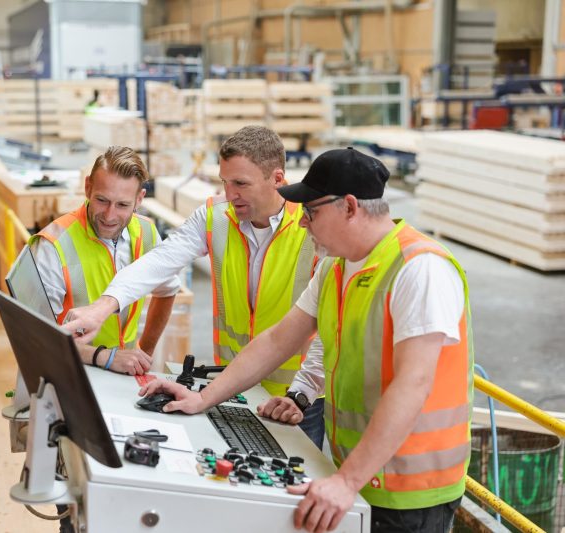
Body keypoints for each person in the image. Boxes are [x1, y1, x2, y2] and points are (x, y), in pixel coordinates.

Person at [132, 147, 474, 533]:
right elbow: (278, 340)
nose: (302, 224)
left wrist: (346, 482)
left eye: (311, 213)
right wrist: (202, 397)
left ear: (349, 207)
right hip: (363, 475)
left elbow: (414, 384)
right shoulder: (336, 268)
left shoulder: (420, 269)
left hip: (413, 491)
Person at [61, 126, 327, 450]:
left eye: (241, 183)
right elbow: (159, 261)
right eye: (225, 182)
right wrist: (102, 307)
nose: (230, 194)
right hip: (232, 387)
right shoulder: (216, 217)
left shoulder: (313, 227)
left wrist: (303, 391)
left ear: (277, 179)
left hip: (294, 398)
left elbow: (330, 324)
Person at [30, 145, 180, 375]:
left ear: (139, 199)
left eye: (122, 205)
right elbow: (39, 336)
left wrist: (144, 353)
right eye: (102, 200)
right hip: (68, 369)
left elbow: (167, 291)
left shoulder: (147, 234)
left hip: (123, 372)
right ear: (88, 187)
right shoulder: (53, 244)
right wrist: (104, 357)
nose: (109, 216)